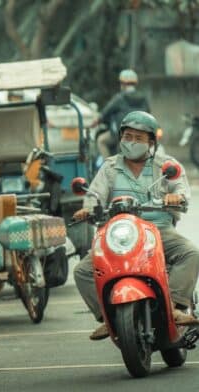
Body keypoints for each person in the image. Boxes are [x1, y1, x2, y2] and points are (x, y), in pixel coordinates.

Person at [73, 111, 199, 341]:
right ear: (120, 138)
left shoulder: (166, 166)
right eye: (128, 136)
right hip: (118, 234)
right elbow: (94, 195)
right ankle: (107, 318)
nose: (131, 142)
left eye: (139, 138)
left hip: (158, 230)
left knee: (190, 252)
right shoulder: (110, 167)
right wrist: (88, 207)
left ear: (151, 142)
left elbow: (180, 189)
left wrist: (175, 197)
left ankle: (175, 306)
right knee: (82, 271)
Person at [96, 69, 151, 159]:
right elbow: (148, 113)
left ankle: (109, 166)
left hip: (123, 134)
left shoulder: (120, 98)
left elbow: (105, 112)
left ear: (123, 84)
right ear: (135, 83)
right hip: (141, 134)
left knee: (101, 140)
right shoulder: (143, 98)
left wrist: (97, 121)